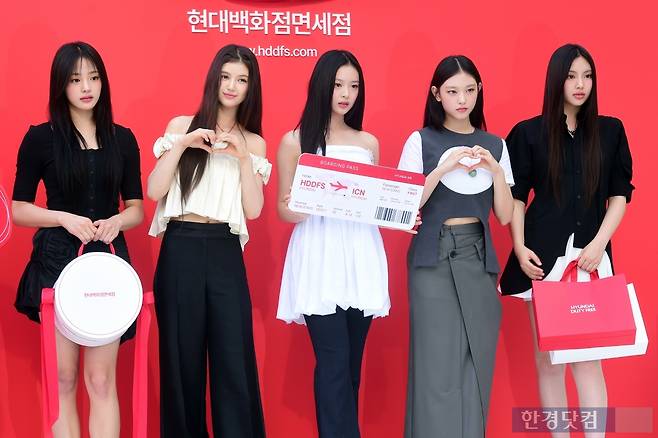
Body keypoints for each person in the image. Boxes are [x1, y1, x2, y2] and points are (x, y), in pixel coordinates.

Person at [500, 43, 634, 438]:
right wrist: (519, 246)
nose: (580, 84)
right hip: (542, 260)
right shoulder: (528, 133)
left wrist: (599, 244)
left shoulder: (610, 131)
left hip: (591, 259)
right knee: (549, 360)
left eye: (587, 76)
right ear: (556, 80)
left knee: (589, 360)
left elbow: (620, 195)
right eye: (572, 76)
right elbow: (516, 197)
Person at [12, 41, 144, 438]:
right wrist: (63, 219)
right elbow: (19, 209)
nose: (86, 87)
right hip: (57, 263)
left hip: (107, 265)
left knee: (101, 381)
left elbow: (136, 208)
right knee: (64, 378)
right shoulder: (41, 138)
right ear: (60, 86)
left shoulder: (122, 138)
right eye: (75, 79)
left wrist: (118, 221)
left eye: (93, 77)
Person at [147, 44, 269, 437]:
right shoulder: (181, 126)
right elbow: (154, 190)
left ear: (250, 88)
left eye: (242, 80)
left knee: (234, 361)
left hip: (224, 251)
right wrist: (184, 144)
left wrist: (243, 157)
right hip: (180, 246)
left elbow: (253, 210)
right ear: (214, 78)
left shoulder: (253, 143)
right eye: (226, 76)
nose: (232, 86)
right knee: (181, 363)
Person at [398, 55, 515, 438]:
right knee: (435, 363)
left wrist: (496, 170)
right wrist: (442, 169)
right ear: (436, 94)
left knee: (475, 358)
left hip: (478, 257)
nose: (462, 99)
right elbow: (406, 203)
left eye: (469, 90)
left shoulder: (495, 145)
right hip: (432, 256)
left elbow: (504, 215)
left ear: (479, 91)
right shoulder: (421, 140)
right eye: (452, 91)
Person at [276, 49, 390, 438]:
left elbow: (375, 202)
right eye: (338, 84)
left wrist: (402, 213)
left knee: (351, 365)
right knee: (334, 362)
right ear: (321, 86)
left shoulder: (368, 142)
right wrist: (304, 205)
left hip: (361, 254)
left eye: (353, 86)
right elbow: (284, 209)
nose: (345, 94)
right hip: (319, 253)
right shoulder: (295, 141)